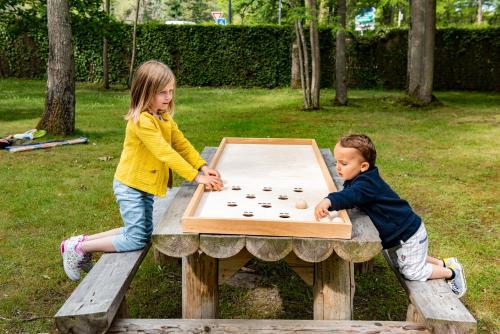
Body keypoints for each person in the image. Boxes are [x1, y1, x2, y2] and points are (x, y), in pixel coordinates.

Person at [60, 60, 223, 281]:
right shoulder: (142, 122)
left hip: (143, 186)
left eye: (171, 91)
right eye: (162, 93)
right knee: (136, 239)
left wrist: (202, 166)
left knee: (140, 233)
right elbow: (165, 153)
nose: (168, 97)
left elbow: (181, 144)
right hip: (130, 186)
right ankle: (80, 250)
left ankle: (78, 242)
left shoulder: (163, 116)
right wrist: (196, 177)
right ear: (145, 93)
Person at [314, 134, 467, 298]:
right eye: (336, 162)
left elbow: (349, 196)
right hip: (406, 230)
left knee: (411, 271)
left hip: (407, 235)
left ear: (364, 166)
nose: (338, 167)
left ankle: (451, 272)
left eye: (343, 163)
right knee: (410, 257)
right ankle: (442, 262)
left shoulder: (367, 184)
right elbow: (351, 195)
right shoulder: (361, 178)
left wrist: (329, 200)